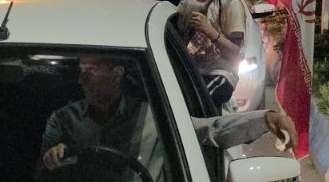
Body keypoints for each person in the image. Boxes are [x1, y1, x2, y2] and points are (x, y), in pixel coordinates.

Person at [40, 56, 298, 173]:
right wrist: (52, 159)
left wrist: (267, 119)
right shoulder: (62, 120)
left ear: (116, 75)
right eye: (81, 71)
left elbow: (210, 130)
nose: (82, 79)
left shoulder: (150, 115)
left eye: (92, 71)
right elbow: (40, 170)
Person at [177, 0, 246, 110]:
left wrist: (209, 30)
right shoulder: (185, 5)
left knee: (198, 102)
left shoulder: (231, 5)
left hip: (219, 73)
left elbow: (236, 53)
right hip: (189, 72)